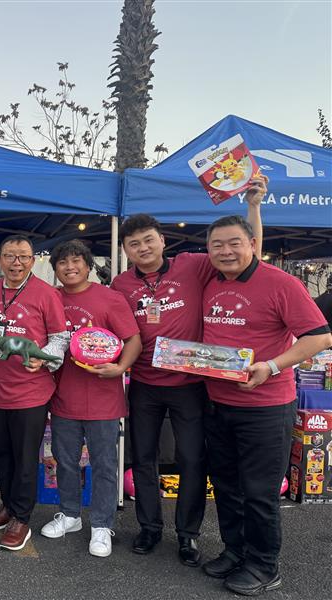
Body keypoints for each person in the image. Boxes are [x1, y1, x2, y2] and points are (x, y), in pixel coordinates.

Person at [110, 175, 267, 565]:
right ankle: (149, 528)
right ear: (125, 250)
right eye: (134, 244)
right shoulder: (120, 283)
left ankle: (188, 535)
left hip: (192, 384)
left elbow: (249, 255)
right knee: (143, 458)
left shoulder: (193, 265)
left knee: (192, 460)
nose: (143, 248)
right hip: (144, 383)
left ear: (162, 241)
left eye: (148, 240)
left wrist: (253, 207)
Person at [200, 215, 331, 596]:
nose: (225, 251)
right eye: (217, 245)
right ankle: (235, 550)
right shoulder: (211, 280)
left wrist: (272, 366)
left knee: (258, 490)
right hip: (217, 401)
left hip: (267, 406)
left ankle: (263, 564)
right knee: (225, 485)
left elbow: (320, 338)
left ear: (253, 244)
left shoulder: (282, 284)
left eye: (234, 243)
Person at [40, 240, 141, 558]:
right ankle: (70, 515)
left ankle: (101, 525)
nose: (70, 267)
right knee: (65, 461)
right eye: (62, 263)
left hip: (103, 399)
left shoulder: (110, 298)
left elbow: (133, 339)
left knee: (104, 465)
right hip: (62, 397)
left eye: (76, 261)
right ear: (55, 268)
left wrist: (121, 367)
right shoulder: (50, 298)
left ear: (88, 265)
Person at [0, 234, 67, 551]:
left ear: (32, 261)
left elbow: (60, 338)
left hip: (32, 392)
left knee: (26, 459)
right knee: (2, 455)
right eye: (10, 256)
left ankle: (22, 519)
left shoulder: (46, 293)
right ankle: (8, 504)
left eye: (23, 257)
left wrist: (43, 361)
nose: (17, 263)